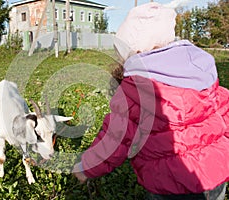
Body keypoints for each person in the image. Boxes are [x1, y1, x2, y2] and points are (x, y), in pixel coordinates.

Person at [72, 2, 229, 199]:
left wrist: (86, 167)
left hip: (169, 183)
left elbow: (115, 138)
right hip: (216, 174)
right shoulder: (202, 71)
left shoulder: (135, 89)